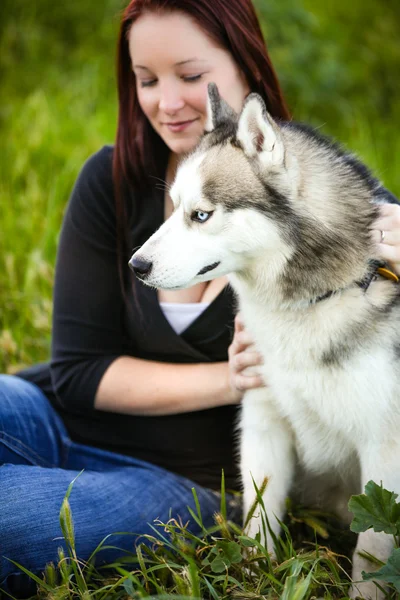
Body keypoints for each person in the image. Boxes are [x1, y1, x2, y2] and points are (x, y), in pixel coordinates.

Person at [1, 0, 399, 596]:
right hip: (56, 415)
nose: (167, 101)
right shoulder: (110, 182)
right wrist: (230, 378)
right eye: (146, 79)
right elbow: (78, 373)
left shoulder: (333, 203)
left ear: (247, 68)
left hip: (178, 482)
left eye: (190, 75)